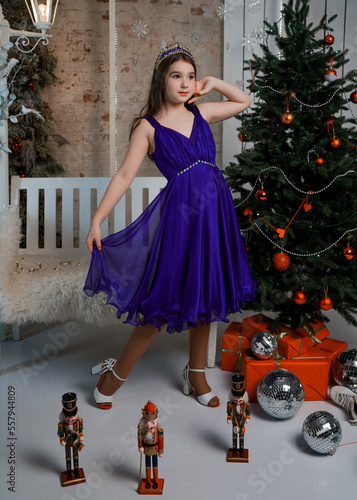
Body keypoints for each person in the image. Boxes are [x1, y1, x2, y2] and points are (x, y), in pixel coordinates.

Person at [85, 42, 257, 410]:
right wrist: (97, 220)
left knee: (207, 293)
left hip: (215, 215)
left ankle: (196, 374)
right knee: (163, 300)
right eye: (176, 76)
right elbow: (124, 175)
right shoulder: (147, 128)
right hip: (182, 219)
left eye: (190, 77)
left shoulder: (202, 112)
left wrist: (215, 82)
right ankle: (114, 375)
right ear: (161, 80)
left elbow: (244, 101)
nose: (184, 83)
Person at [137, 400, 164, 491]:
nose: (149, 426)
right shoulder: (143, 431)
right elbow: (139, 439)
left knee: (155, 465)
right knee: (147, 466)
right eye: (146, 423)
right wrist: (140, 447)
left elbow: (161, 441)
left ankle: (155, 481)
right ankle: (148, 481)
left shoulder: (158, 431)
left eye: (152, 423)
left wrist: (161, 451)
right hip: (146, 450)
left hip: (155, 449)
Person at [227, 374, 251, 460]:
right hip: (234, 422)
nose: (238, 400)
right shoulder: (230, 404)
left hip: (241, 422)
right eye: (235, 398)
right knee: (234, 435)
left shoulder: (246, 404)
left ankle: (241, 450)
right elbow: (229, 412)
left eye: (240, 397)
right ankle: (234, 449)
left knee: (241, 435)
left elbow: (248, 411)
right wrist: (229, 418)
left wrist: (248, 417)